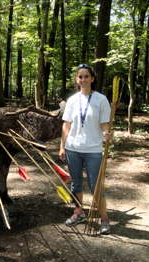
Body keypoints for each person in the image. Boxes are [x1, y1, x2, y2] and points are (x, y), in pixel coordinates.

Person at [58, 63, 112, 234]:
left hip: (93, 150)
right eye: (80, 77)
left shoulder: (101, 99)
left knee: (96, 185)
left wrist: (107, 135)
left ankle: (104, 218)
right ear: (76, 79)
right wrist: (62, 147)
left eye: (86, 76)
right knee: (76, 184)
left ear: (92, 79)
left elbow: (105, 124)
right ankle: (78, 211)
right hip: (73, 148)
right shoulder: (73, 100)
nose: (83, 80)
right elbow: (66, 125)